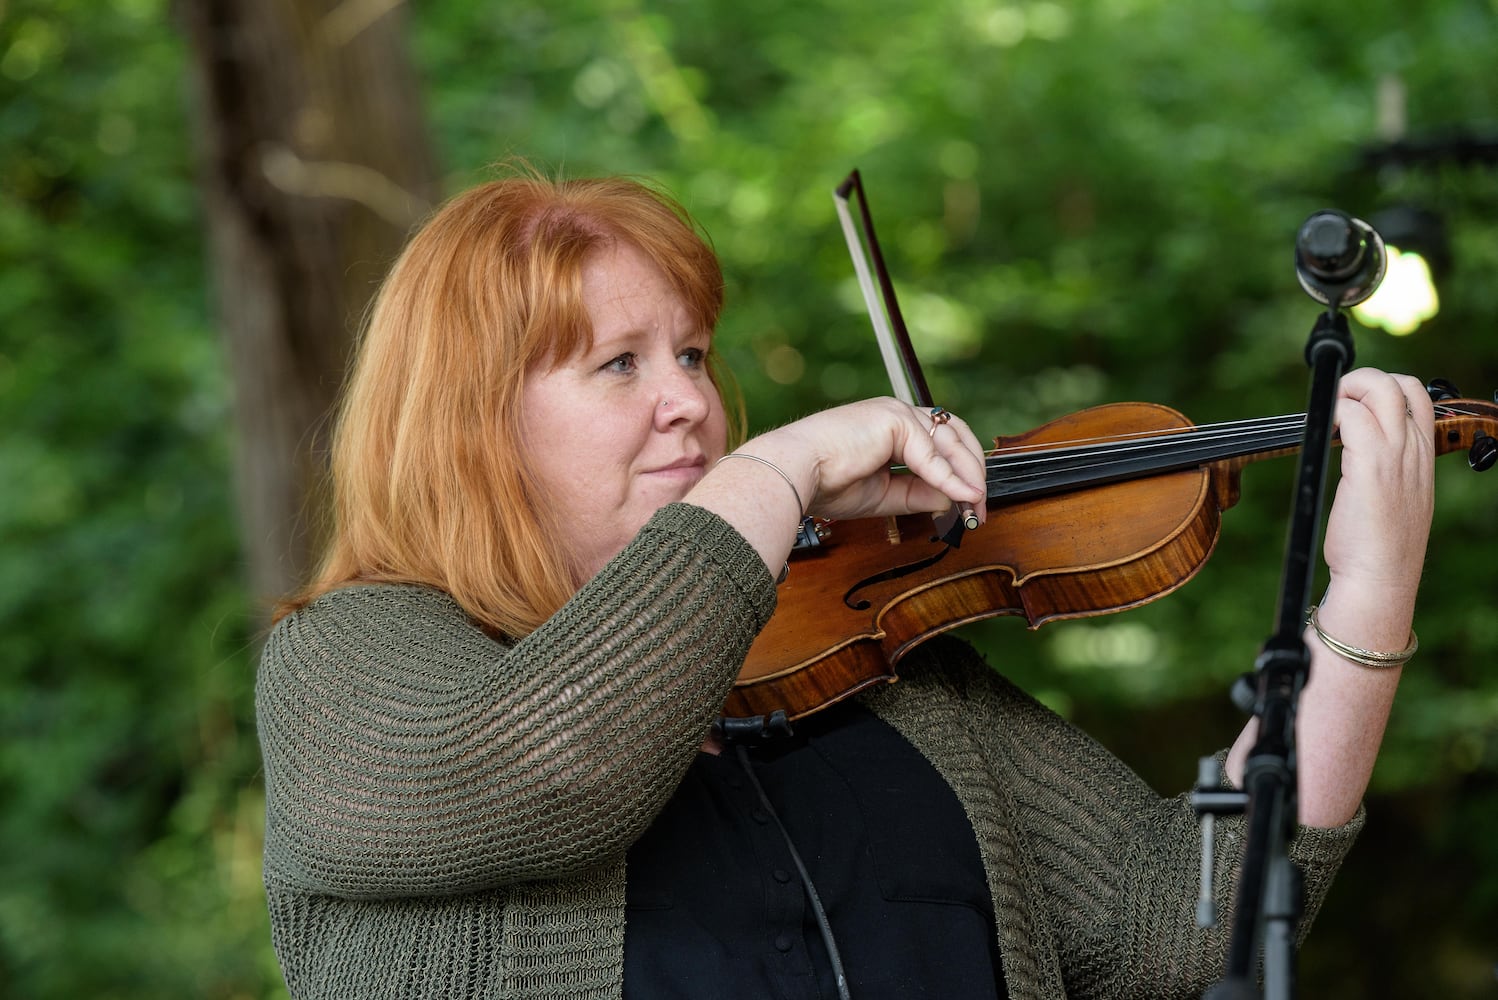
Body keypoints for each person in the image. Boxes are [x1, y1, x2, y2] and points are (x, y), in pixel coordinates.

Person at [255, 170, 1434, 999]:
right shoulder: (350, 663)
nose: (692, 404)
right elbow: (554, 767)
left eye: (693, 354)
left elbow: (1172, 922)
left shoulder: (879, 672)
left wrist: (1364, 605)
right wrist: (781, 467)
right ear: (472, 428)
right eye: (620, 364)